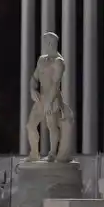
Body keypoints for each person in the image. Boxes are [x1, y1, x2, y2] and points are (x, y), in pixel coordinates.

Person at [25, 31, 74, 161]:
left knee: (52, 125)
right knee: (30, 125)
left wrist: (50, 101)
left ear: (52, 44)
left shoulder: (59, 62)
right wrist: (31, 89)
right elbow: (34, 78)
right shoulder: (42, 59)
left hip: (53, 98)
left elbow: (55, 83)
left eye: (47, 43)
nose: (45, 45)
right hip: (41, 97)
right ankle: (34, 153)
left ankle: (52, 153)